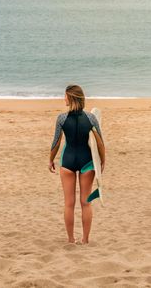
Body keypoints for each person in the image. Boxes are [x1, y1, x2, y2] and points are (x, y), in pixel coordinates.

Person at [49, 85, 105, 244]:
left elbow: (56, 143)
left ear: (71, 98)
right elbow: (100, 142)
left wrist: (50, 160)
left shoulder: (61, 118)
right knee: (86, 203)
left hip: (67, 162)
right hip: (87, 162)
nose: (64, 99)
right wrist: (102, 160)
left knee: (69, 204)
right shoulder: (91, 118)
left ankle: (71, 239)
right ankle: (85, 239)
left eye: (65, 96)